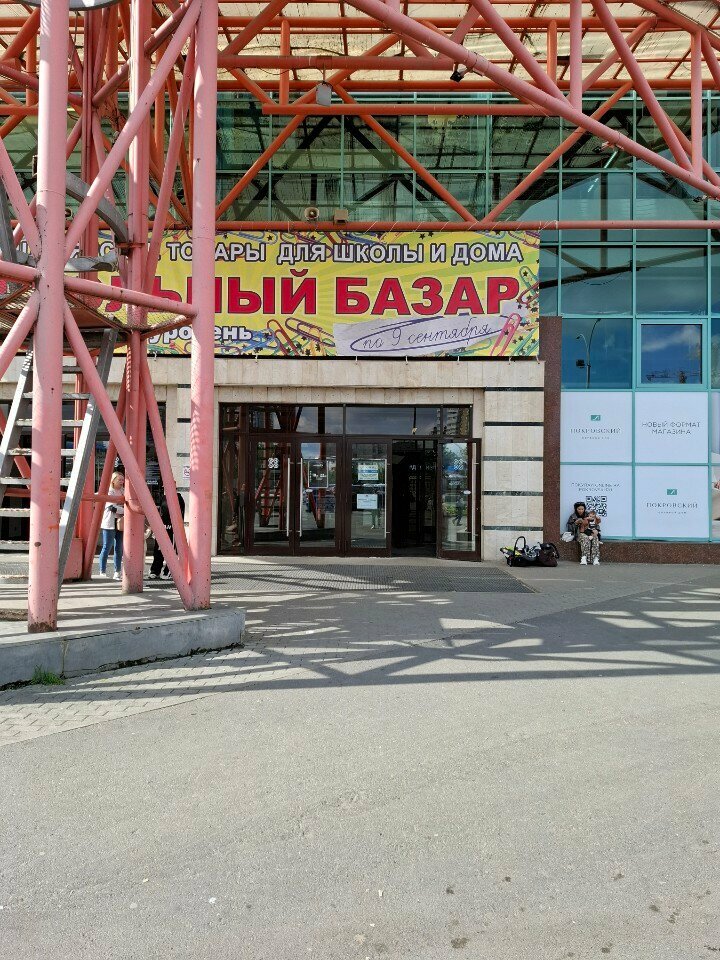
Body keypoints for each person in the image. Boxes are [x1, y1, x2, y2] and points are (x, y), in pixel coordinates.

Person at [149, 490, 185, 580]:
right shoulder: (163, 498)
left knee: (171, 551)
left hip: (172, 529)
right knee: (158, 550)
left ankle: (168, 571)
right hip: (162, 528)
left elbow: (181, 515)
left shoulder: (178, 498)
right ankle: (155, 570)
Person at [99, 471, 125, 580]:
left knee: (119, 548)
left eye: (122, 479)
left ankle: (117, 572)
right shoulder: (109, 491)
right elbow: (111, 508)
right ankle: (102, 571)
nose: (122, 481)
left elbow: (117, 508)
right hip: (110, 522)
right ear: (113, 481)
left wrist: (119, 509)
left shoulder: (124, 491)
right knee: (107, 546)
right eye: (119, 479)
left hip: (120, 521)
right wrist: (124, 509)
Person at [566, 500, 601, 566]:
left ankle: (595, 558)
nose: (581, 511)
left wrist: (597, 530)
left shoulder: (589, 515)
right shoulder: (573, 516)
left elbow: (596, 524)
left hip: (590, 532)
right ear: (576, 509)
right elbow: (570, 528)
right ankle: (584, 558)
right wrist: (576, 523)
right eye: (579, 509)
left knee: (595, 538)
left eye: (582, 509)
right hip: (579, 533)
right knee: (585, 538)